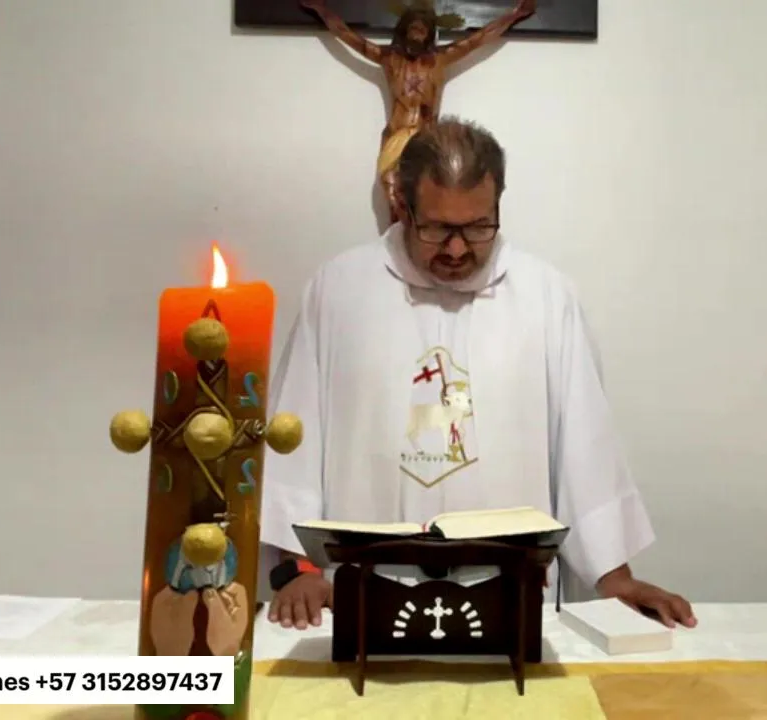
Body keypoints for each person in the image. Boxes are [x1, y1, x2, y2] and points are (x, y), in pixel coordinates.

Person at [261, 118, 696, 632]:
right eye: (437, 228)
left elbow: (585, 447)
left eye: (477, 227)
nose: (457, 249)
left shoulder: (545, 296)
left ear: (498, 207)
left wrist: (616, 578)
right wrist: (301, 570)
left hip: (508, 600)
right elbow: (294, 439)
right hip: (357, 599)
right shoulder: (340, 290)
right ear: (403, 206)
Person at [298, 0, 535, 223]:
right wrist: (321, 10)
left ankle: (420, 240)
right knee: (392, 194)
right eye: (412, 29)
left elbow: (479, 38)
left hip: (426, 137)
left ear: (430, 34)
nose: (417, 34)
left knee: (427, 196)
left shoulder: (440, 59)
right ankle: (397, 241)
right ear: (403, 30)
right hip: (396, 135)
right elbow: (348, 36)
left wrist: (514, 16)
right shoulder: (390, 58)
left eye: (422, 30)